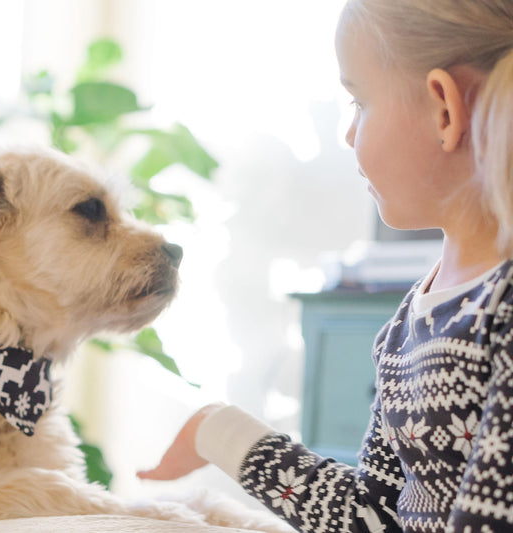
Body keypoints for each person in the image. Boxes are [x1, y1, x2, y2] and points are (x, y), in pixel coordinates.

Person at [137, 1, 513, 531]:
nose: (348, 133)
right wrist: (219, 430)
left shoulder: (502, 308)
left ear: (444, 109)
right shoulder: (412, 321)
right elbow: (372, 516)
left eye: (359, 102)